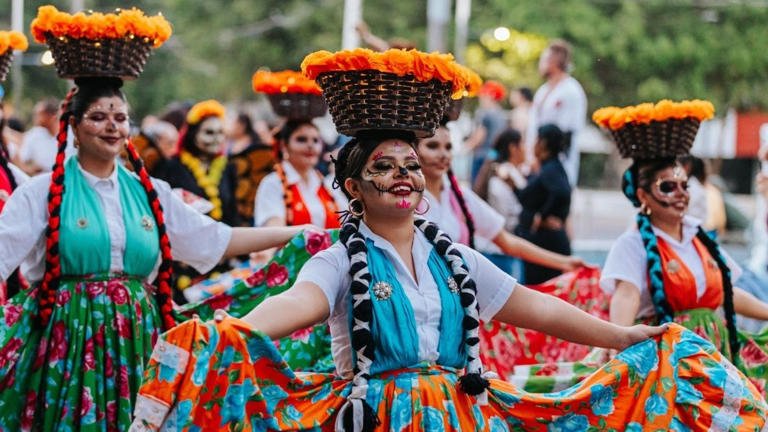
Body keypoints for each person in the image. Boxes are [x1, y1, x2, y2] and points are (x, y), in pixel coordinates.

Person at [131, 47, 767, 432]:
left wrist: (623, 336)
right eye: (385, 166)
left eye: (411, 165)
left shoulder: (451, 255)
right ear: (353, 187)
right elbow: (291, 306)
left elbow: (533, 305)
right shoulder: (338, 260)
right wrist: (230, 334)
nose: (404, 177)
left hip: (462, 414)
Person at [597, 100, 768, 395]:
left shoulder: (698, 236)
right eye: (667, 187)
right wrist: (616, 342)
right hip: (665, 363)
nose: (680, 194)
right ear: (643, 195)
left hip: (716, 358)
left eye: (684, 186)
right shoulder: (632, 243)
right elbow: (626, 295)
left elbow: (726, 291)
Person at [418, 123, 581, 280]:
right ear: (414, 150)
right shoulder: (409, 199)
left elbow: (508, 241)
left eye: (448, 147)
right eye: (432, 146)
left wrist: (565, 262)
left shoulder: (459, 196)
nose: (443, 154)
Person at [255, 119, 343, 230]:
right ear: (284, 145)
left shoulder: (327, 185)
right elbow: (273, 232)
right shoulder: (272, 184)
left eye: (316, 140)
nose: (310, 145)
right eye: (301, 139)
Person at [515, 124, 573, 284]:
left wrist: (543, 216)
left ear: (543, 143)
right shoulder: (547, 168)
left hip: (547, 243)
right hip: (541, 242)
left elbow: (562, 192)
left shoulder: (551, 169)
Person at [527, 39, 587, 186]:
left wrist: (544, 157)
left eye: (543, 60)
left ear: (554, 62)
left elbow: (567, 132)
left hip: (558, 163)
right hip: (535, 160)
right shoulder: (543, 91)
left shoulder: (571, 90)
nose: (540, 65)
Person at [226, 112, 274, 227]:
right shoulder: (231, 144)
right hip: (235, 201)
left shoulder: (255, 148)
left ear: (241, 125)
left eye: (233, 123)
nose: (230, 126)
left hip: (252, 202)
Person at [18, 97, 76, 175]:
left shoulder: (73, 134)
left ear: (52, 116)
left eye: (39, 114)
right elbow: (21, 160)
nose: (35, 118)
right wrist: (31, 170)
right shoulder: (33, 135)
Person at [464, 80, 508, 181]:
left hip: (481, 157)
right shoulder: (501, 114)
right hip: (495, 157)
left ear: (491, 96)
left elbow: (479, 137)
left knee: (476, 188)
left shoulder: (486, 114)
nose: (481, 98)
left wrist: (464, 148)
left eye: (483, 95)